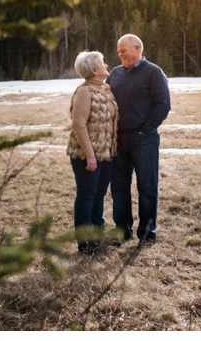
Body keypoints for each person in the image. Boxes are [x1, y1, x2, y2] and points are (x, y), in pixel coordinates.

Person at [106, 34, 171, 245]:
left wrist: (146, 130)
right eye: (118, 51)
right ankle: (122, 231)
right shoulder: (114, 74)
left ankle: (147, 233)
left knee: (147, 186)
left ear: (137, 48)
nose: (120, 54)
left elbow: (163, 104)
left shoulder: (153, 72)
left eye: (123, 50)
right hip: (118, 139)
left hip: (144, 139)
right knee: (119, 187)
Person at [66, 50, 118, 255]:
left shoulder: (106, 89)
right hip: (86, 156)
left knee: (99, 195)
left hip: (106, 154)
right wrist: (90, 155)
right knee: (87, 196)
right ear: (94, 70)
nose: (106, 65)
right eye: (102, 63)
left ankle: (98, 236)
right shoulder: (84, 91)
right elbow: (78, 125)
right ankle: (84, 243)